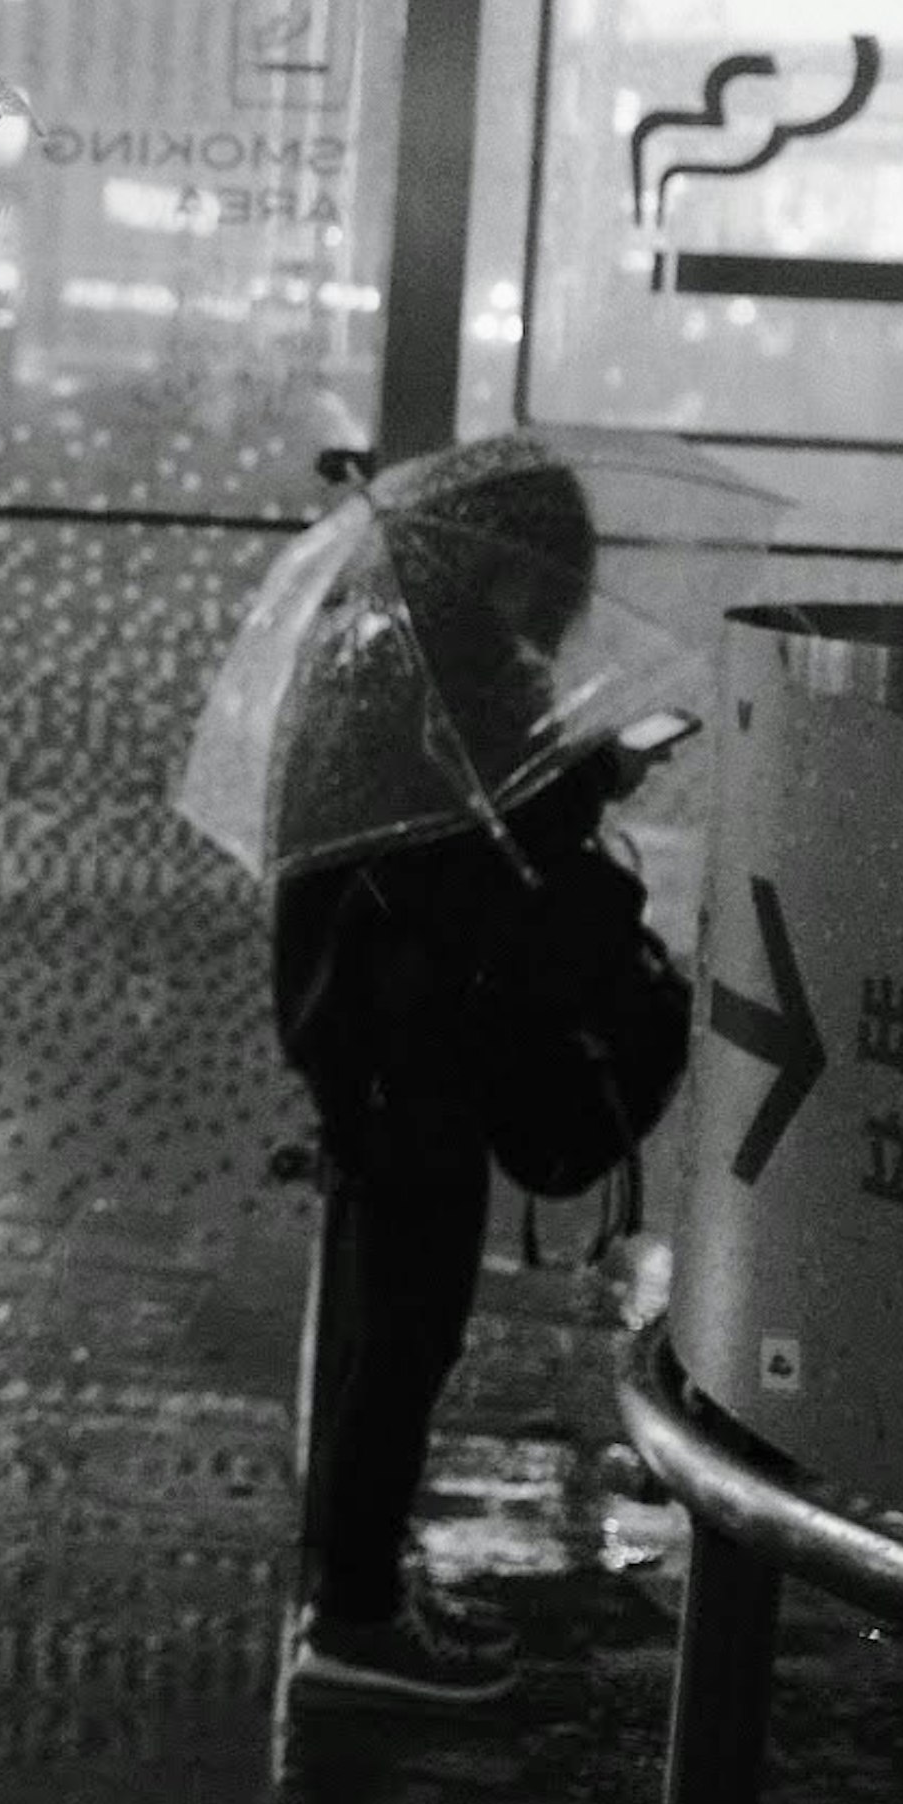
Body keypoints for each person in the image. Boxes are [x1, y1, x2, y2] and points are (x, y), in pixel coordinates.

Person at [273, 451, 642, 1709]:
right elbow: (492, 853)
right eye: (546, 575)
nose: (554, 601)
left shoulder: (375, 648)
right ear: (500, 556)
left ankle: (358, 1583)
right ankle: (357, 1616)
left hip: (367, 1033)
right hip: (405, 1048)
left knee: (393, 1331)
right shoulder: (449, 671)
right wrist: (597, 773)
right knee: (405, 1335)